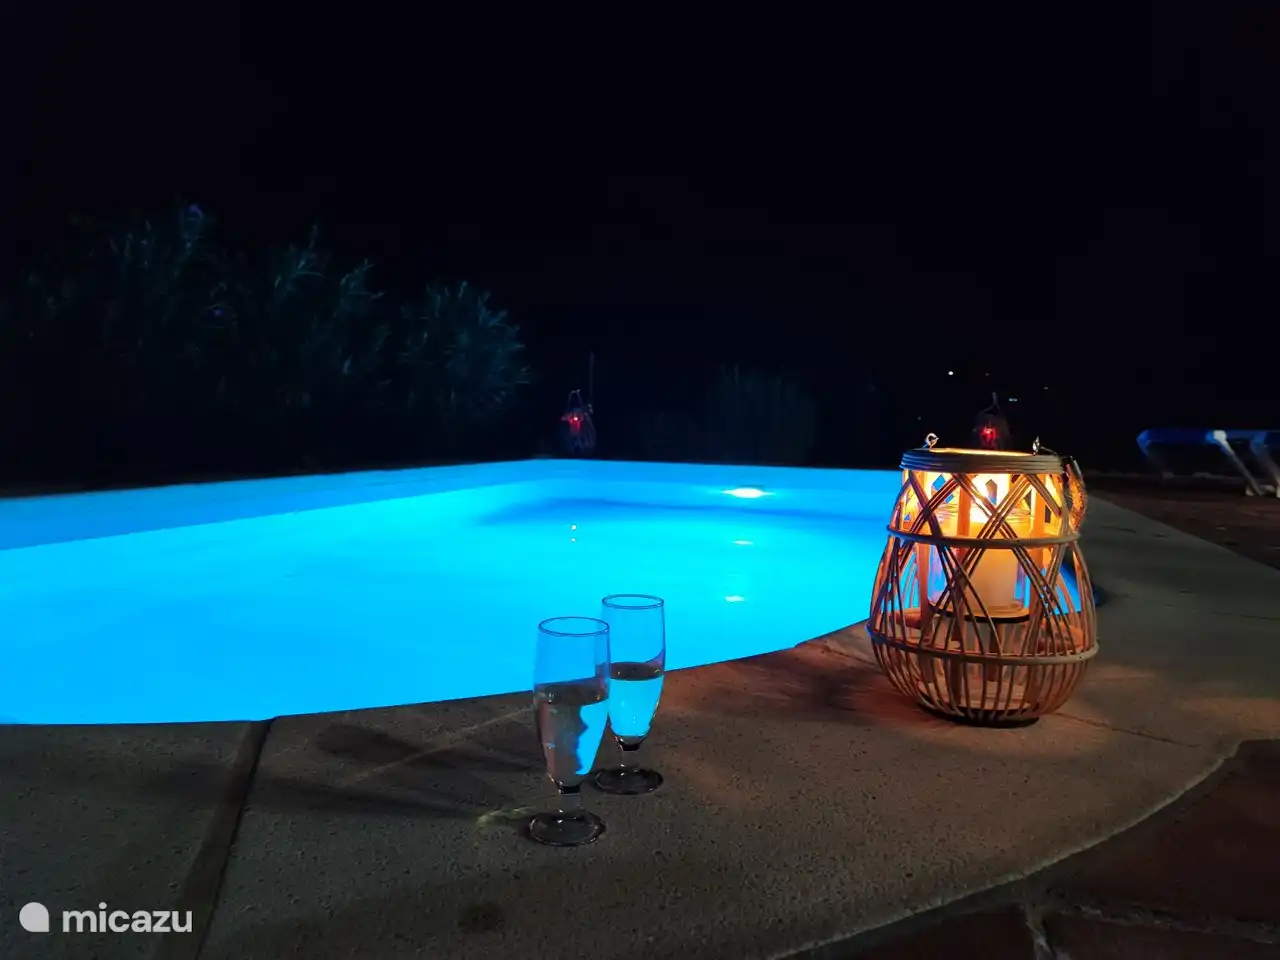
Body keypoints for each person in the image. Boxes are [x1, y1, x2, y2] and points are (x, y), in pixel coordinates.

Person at [560, 389, 596, 455]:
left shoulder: (583, 412)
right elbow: (564, 418)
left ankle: (582, 445)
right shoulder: (570, 411)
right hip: (573, 430)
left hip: (580, 430)